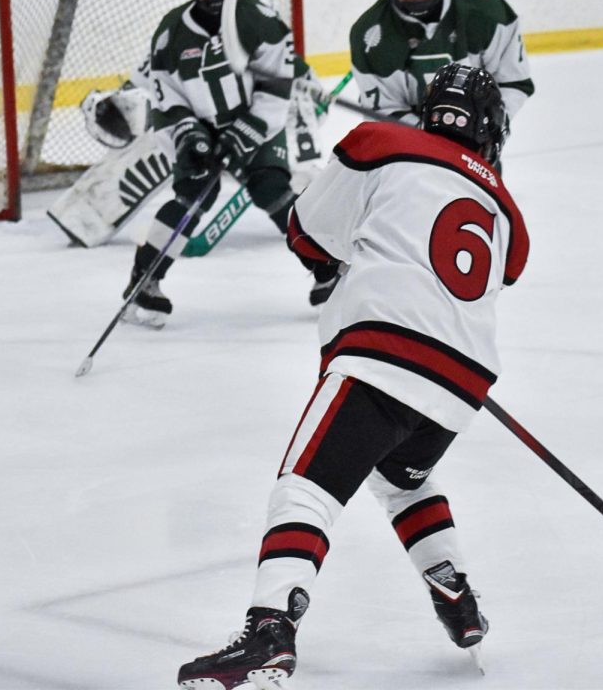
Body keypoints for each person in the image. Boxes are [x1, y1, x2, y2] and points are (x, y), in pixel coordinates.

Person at [176, 64, 530, 690]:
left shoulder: (381, 143)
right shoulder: (507, 211)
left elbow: (307, 230)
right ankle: (455, 592)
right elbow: (496, 274)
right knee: (400, 479)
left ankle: (269, 633)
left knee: (305, 488)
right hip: (463, 383)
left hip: (382, 353)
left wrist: (335, 258)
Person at [85, 0, 324, 326]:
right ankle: (143, 283)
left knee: (272, 189)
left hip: (257, 123)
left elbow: (280, 87)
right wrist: (190, 135)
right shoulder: (171, 32)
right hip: (198, 126)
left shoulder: (259, 19)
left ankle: (327, 272)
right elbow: (165, 95)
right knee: (194, 194)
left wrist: (245, 132)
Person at [348, 0, 534, 161]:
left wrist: (487, 127)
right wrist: (429, 137)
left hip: (476, 151)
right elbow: (383, 110)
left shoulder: (487, 13)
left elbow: (514, 82)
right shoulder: (370, 35)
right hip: (407, 153)